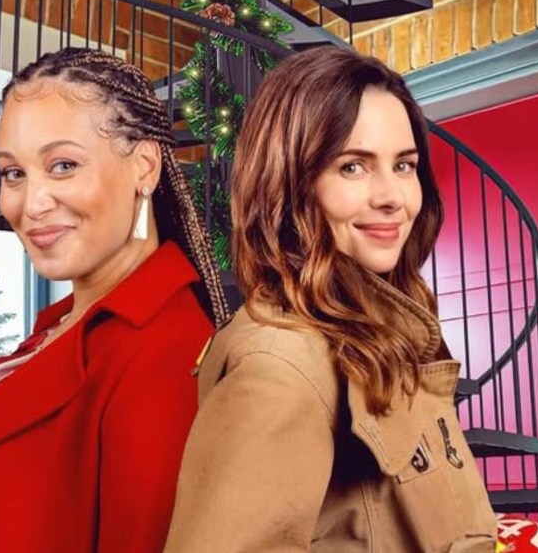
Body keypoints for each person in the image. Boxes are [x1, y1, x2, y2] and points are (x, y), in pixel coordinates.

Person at [164, 47, 498, 553]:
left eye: (404, 165)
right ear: (290, 183)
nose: (392, 196)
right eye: (352, 167)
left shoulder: (378, 327)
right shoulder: (281, 363)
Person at [0, 47, 229, 553]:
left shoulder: (167, 354)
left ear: (145, 166)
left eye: (62, 165)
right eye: (14, 173)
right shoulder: (61, 329)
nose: (31, 204)